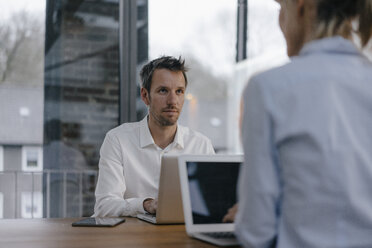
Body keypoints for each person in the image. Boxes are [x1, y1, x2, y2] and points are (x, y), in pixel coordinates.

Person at [235, 0, 372, 247]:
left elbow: (257, 231)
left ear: (300, 7)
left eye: (281, 9)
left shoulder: (268, 88)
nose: (280, 22)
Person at [93, 56, 215, 217]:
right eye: (163, 91)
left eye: (179, 91)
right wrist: (146, 204)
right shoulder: (117, 140)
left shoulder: (201, 144)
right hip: (134, 239)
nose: (173, 101)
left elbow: (212, 204)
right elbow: (104, 206)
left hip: (183, 237)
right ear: (145, 96)